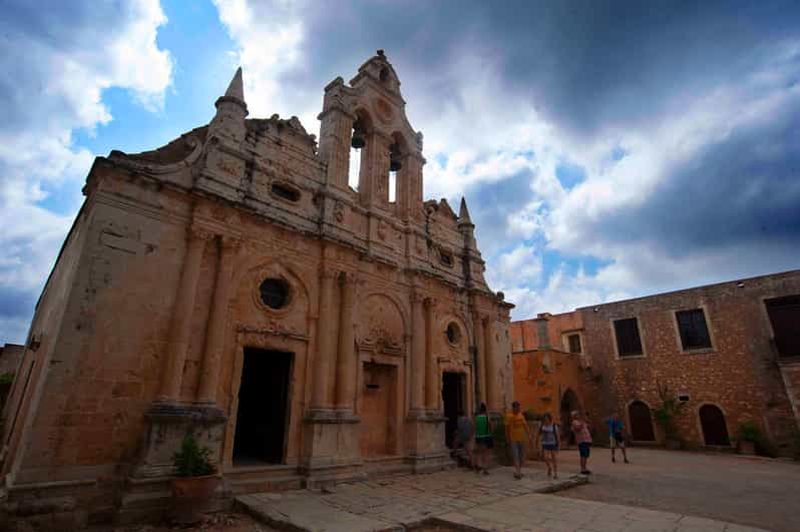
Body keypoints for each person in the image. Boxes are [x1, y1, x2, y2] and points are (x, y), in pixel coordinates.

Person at [505, 401, 533, 479]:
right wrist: (507, 438)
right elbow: (506, 428)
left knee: (521, 455)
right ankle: (517, 471)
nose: (518, 409)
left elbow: (525, 426)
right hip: (513, 439)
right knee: (515, 455)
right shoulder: (509, 416)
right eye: (517, 408)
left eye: (519, 408)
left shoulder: (521, 416)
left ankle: (519, 470)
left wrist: (529, 435)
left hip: (522, 438)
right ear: (514, 408)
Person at [537, 412, 560, 479]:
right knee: (545, 457)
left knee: (554, 459)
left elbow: (557, 436)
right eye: (545, 419)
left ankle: (555, 473)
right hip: (545, 443)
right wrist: (537, 442)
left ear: (550, 419)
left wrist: (558, 445)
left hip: (552, 443)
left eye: (547, 419)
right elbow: (538, 434)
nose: (546, 420)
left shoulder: (553, 426)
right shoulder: (542, 426)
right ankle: (549, 467)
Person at [474, 402, 493, 474]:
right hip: (486, 436)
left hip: (478, 436)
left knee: (479, 452)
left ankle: (479, 465)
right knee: (486, 453)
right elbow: (491, 426)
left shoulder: (476, 418)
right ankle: (485, 468)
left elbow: (475, 427)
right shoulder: (487, 418)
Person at [571, 410, 592, 475]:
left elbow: (588, 427)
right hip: (582, 440)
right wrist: (583, 422)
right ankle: (583, 469)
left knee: (586, 455)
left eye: (578, 414)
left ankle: (585, 468)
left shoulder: (581, 422)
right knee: (583, 454)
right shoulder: (574, 422)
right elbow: (578, 428)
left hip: (586, 440)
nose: (578, 415)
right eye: (577, 415)